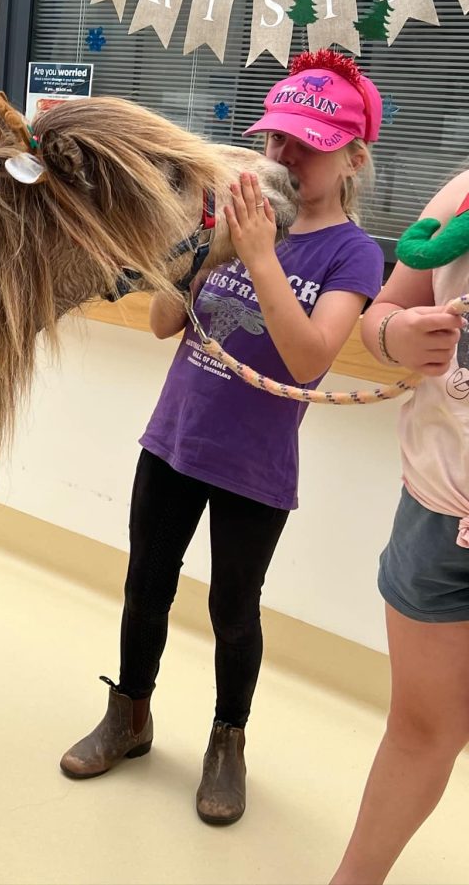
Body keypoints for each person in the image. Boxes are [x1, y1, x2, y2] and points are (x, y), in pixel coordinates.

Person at [59, 50, 387, 826]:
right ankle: (130, 712)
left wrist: (262, 252)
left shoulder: (353, 253)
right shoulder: (235, 228)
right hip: (175, 437)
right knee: (147, 582)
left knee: (235, 610)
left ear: (354, 156)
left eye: (310, 143)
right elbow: (165, 322)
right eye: (277, 140)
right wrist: (203, 248)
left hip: (255, 464)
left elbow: (310, 357)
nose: (286, 157)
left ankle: (226, 741)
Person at [330, 171, 469, 884]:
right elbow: (381, 316)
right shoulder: (462, 196)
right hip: (440, 516)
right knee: (418, 730)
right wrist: (397, 333)